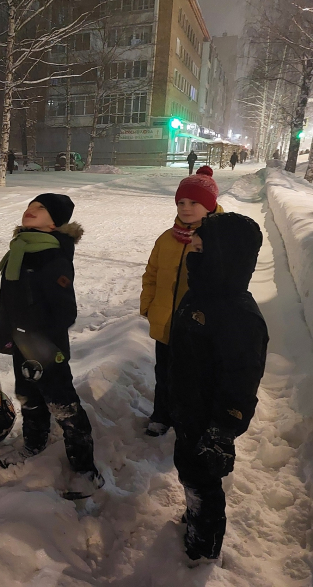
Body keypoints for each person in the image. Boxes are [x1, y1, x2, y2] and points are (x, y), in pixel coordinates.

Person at [0, 194, 103, 498]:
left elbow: (66, 311)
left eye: (40, 209)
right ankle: (33, 443)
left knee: (63, 404)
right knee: (28, 395)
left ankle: (86, 471)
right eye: (30, 206)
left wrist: (39, 339)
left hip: (46, 347)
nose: (30, 210)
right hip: (21, 341)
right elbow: (13, 298)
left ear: (54, 223)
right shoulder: (21, 248)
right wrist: (4, 327)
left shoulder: (53, 257)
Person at [169, 213, 268, 563]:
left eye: (200, 250)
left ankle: (204, 545)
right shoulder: (198, 296)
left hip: (211, 419)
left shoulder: (239, 315)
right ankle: (195, 512)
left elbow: (241, 379)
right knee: (188, 468)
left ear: (225, 256)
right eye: (193, 248)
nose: (192, 255)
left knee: (203, 480)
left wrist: (223, 430)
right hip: (188, 408)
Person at [141, 166, 222, 437]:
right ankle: (162, 414)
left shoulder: (218, 238)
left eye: (194, 202)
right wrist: (148, 305)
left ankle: (190, 418)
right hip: (166, 321)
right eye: (181, 202)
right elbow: (151, 274)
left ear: (210, 205)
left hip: (198, 325)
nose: (186, 208)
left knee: (193, 375)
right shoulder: (166, 239)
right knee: (164, 372)